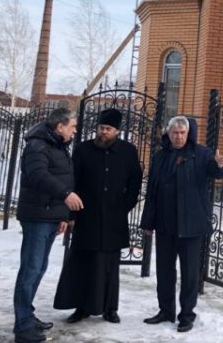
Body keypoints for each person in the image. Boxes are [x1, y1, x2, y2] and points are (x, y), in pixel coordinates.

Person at [53, 108, 142, 324]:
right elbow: (73, 181)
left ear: (117, 131)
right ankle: (81, 307)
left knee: (110, 266)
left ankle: (110, 308)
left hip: (114, 218)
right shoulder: (83, 149)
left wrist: (124, 206)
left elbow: (135, 182)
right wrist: (72, 213)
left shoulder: (128, 151)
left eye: (108, 129)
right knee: (83, 263)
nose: (103, 132)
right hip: (87, 216)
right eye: (101, 128)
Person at [141, 115, 223, 333]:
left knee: (189, 273)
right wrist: (148, 221)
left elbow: (215, 172)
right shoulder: (160, 156)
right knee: (164, 271)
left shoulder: (201, 154)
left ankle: (187, 315)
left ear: (188, 134)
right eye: (175, 133)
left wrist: (220, 165)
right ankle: (165, 310)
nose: (179, 137)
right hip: (165, 224)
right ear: (168, 134)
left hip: (190, 225)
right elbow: (152, 191)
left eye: (182, 133)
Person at [13, 107, 83, 343]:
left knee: (39, 268)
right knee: (30, 269)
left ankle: (27, 315)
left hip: (49, 215)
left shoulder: (57, 145)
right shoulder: (38, 146)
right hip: (37, 217)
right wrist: (65, 195)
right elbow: (38, 176)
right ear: (59, 126)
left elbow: (62, 177)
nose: (75, 130)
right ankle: (23, 327)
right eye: (72, 126)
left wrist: (61, 216)